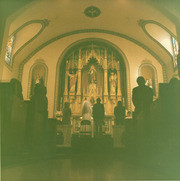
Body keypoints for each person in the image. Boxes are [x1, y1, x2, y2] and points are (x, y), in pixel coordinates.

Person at [132, 76, 153, 141]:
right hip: (146, 109)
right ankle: (147, 138)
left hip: (139, 109)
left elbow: (133, 99)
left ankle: (138, 138)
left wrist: (138, 106)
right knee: (147, 125)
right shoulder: (149, 89)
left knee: (137, 126)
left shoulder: (135, 90)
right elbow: (150, 100)